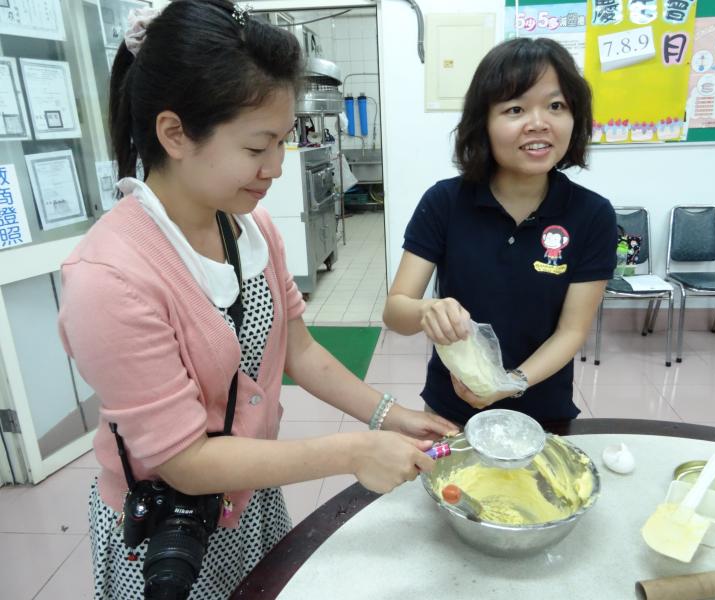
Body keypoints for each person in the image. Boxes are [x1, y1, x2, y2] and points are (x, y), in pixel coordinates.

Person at [57, 2, 455, 598]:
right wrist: (355, 451)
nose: (274, 167)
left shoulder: (250, 228)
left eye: (283, 142)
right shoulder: (109, 278)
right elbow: (185, 461)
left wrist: (390, 417)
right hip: (168, 531)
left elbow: (301, 352)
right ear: (175, 133)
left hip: (250, 491)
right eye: (256, 147)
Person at [383, 37, 617, 426]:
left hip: (543, 414)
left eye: (556, 105)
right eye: (515, 108)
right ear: (484, 123)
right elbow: (396, 311)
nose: (538, 122)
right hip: (450, 412)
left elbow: (571, 331)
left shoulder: (592, 215)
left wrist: (511, 383)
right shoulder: (444, 202)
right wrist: (427, 310)